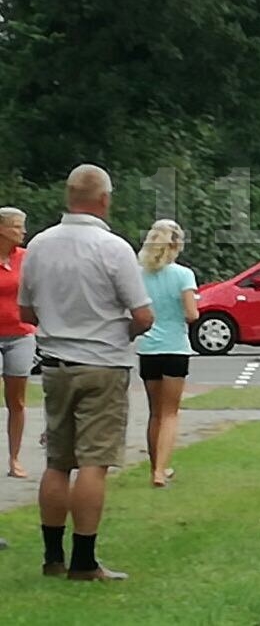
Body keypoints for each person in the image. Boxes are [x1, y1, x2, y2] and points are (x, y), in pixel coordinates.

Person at [18, 164, 153, 581]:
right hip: (103, 363)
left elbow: (25, 311)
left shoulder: (39, 245)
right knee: (95, 461)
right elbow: (143, 315)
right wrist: (119, 332)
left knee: (58, 460)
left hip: (55, 363)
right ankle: (84, 560)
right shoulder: (112, 248)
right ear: (104, 199)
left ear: (68, 196)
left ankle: (52, 556)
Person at [136, 220, 198, 488]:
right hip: (174, 347)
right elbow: (191, 314)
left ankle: (155, 466)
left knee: (154, 412)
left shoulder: (139, 274)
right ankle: (161, 471)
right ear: (176, 245)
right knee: (170, 412)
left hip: (148, 347)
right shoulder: (183, 275)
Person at [0, 207, 36, 479]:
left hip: (20, 334)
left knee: (17, 400)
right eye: (16, 226)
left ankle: (14, 459)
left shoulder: (26, 258)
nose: (22, 231)